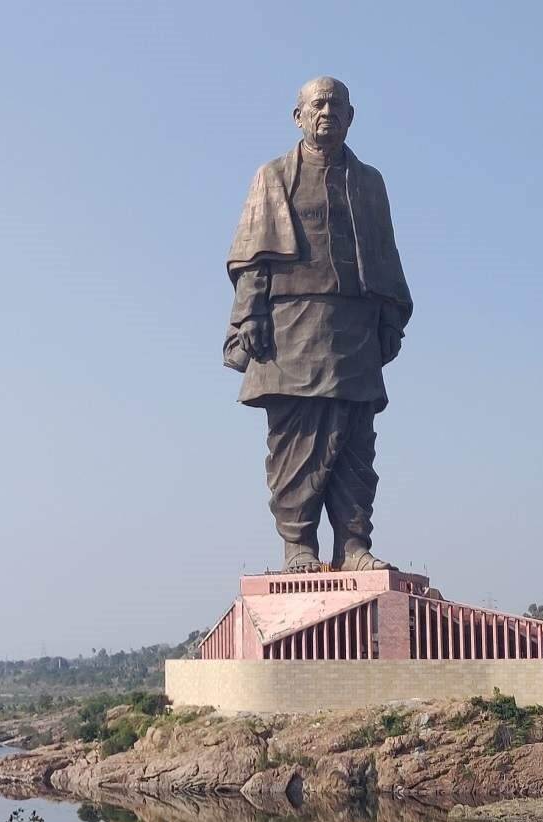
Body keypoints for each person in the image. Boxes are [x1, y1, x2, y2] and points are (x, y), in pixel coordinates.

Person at [224, 76, 412, 573]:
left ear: (351, 116)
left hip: (353, 326)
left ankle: (353, 545)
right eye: (318, 103)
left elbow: (386, 256)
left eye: (337, 104)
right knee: (295, 441)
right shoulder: (273, 176)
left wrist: (390, 316)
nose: (327, 111)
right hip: (290, 327)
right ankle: (298, 545)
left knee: (355, 440)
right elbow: (251, 260)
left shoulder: (370, 183)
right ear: (299, 116)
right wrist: (249, 316)